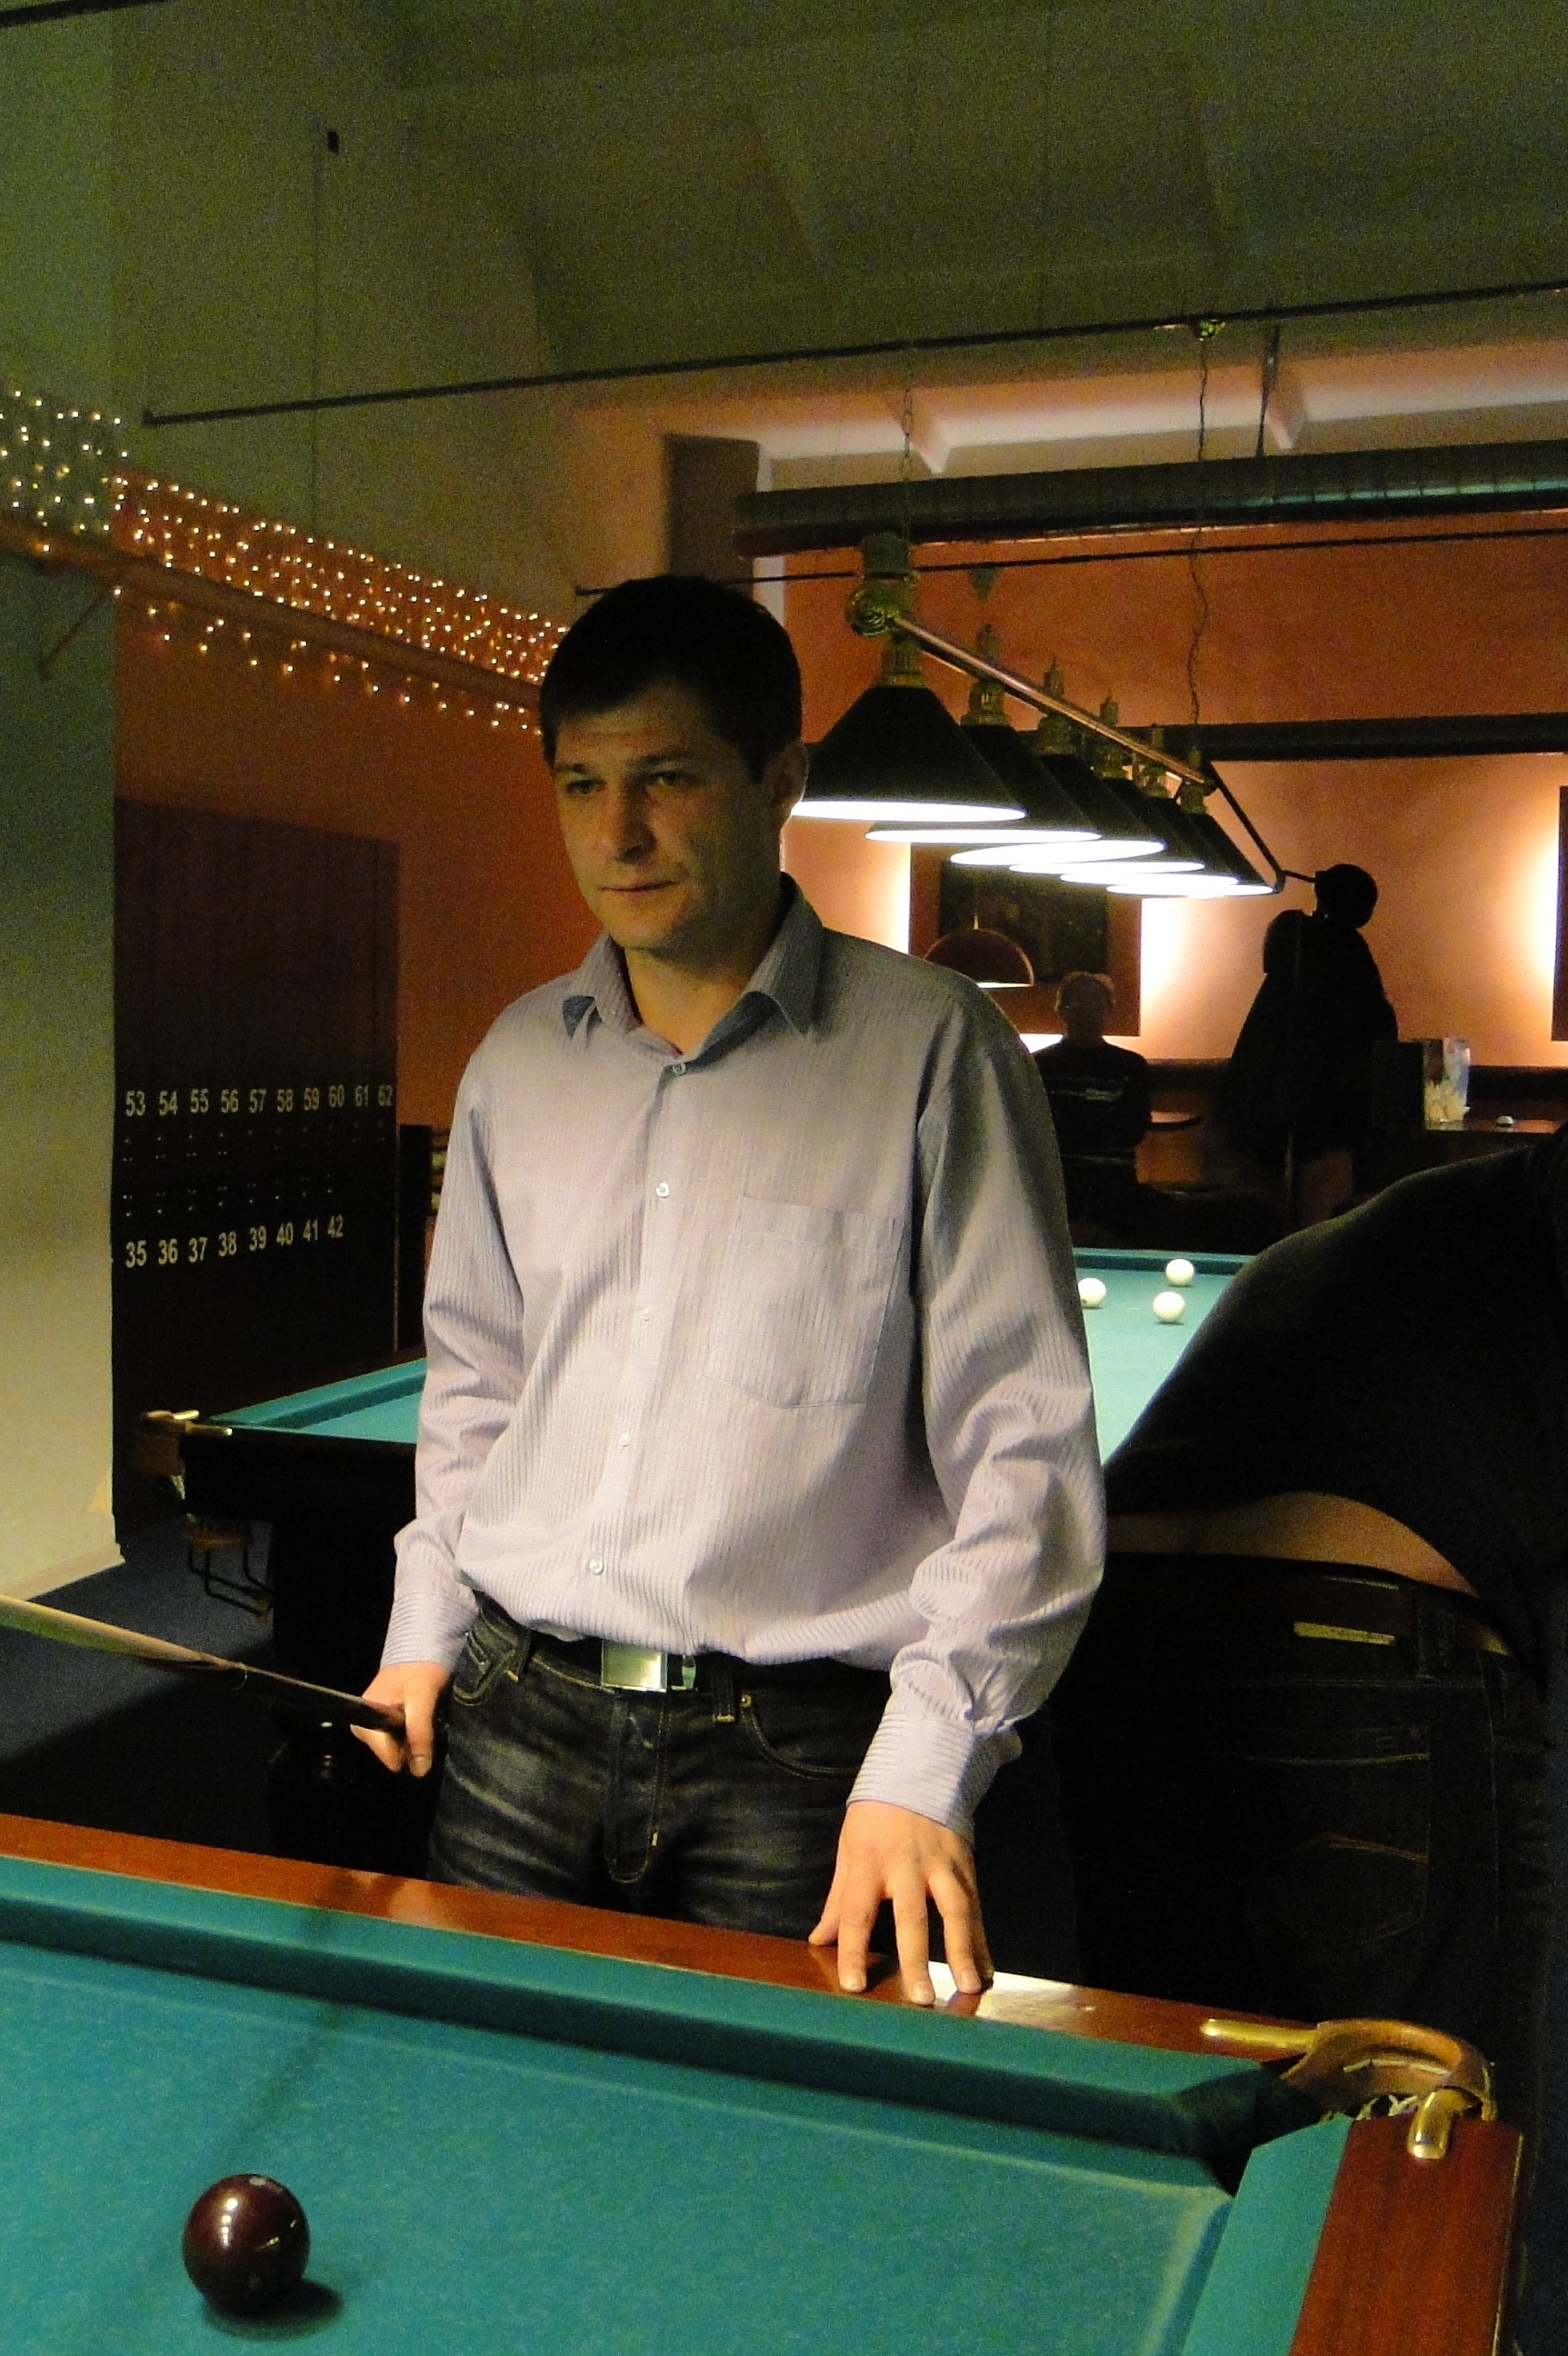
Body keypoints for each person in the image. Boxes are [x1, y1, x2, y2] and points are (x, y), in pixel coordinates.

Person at [355, 574, 1101, 2009]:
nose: (616, 833)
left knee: (786, 2133)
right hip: (515, 1723)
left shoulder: (933, 1050)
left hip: (801, 1760)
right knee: (485, 2096)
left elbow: (1026, 1451)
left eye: (668, 779)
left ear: (781, 783)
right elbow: (477, 1389)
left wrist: (927, 1763)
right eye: (582, 785)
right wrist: (423, 1633)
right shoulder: (518, 1060)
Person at [1050, 1103, 1568, 2119]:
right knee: (1422, 2128)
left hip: (1116, 1648)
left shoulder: (1306, 1257)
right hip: (1352, 1645)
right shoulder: (1513, 1199)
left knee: (1184, 2087)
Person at [1213, 864, 1397, 1225]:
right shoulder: (1345, 950)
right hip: (1328, 1100)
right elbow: (1375, 1027)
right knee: (1320, 1201)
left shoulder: (1298, 938)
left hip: (1281, 1091)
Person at [1033, 972, 1156, 1238]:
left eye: (1096, 1007)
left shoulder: (1131, 1066)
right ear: (1062, 1011)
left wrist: (1072, 1118)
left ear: (1108, 1012)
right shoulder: (1039, 1066)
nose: (1088, 1015)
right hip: (1060, 1185)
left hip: (1114, 1186)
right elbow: (1036, 1130)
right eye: (1079, 1007)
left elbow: (1133, 1130)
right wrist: (1100, 1116)